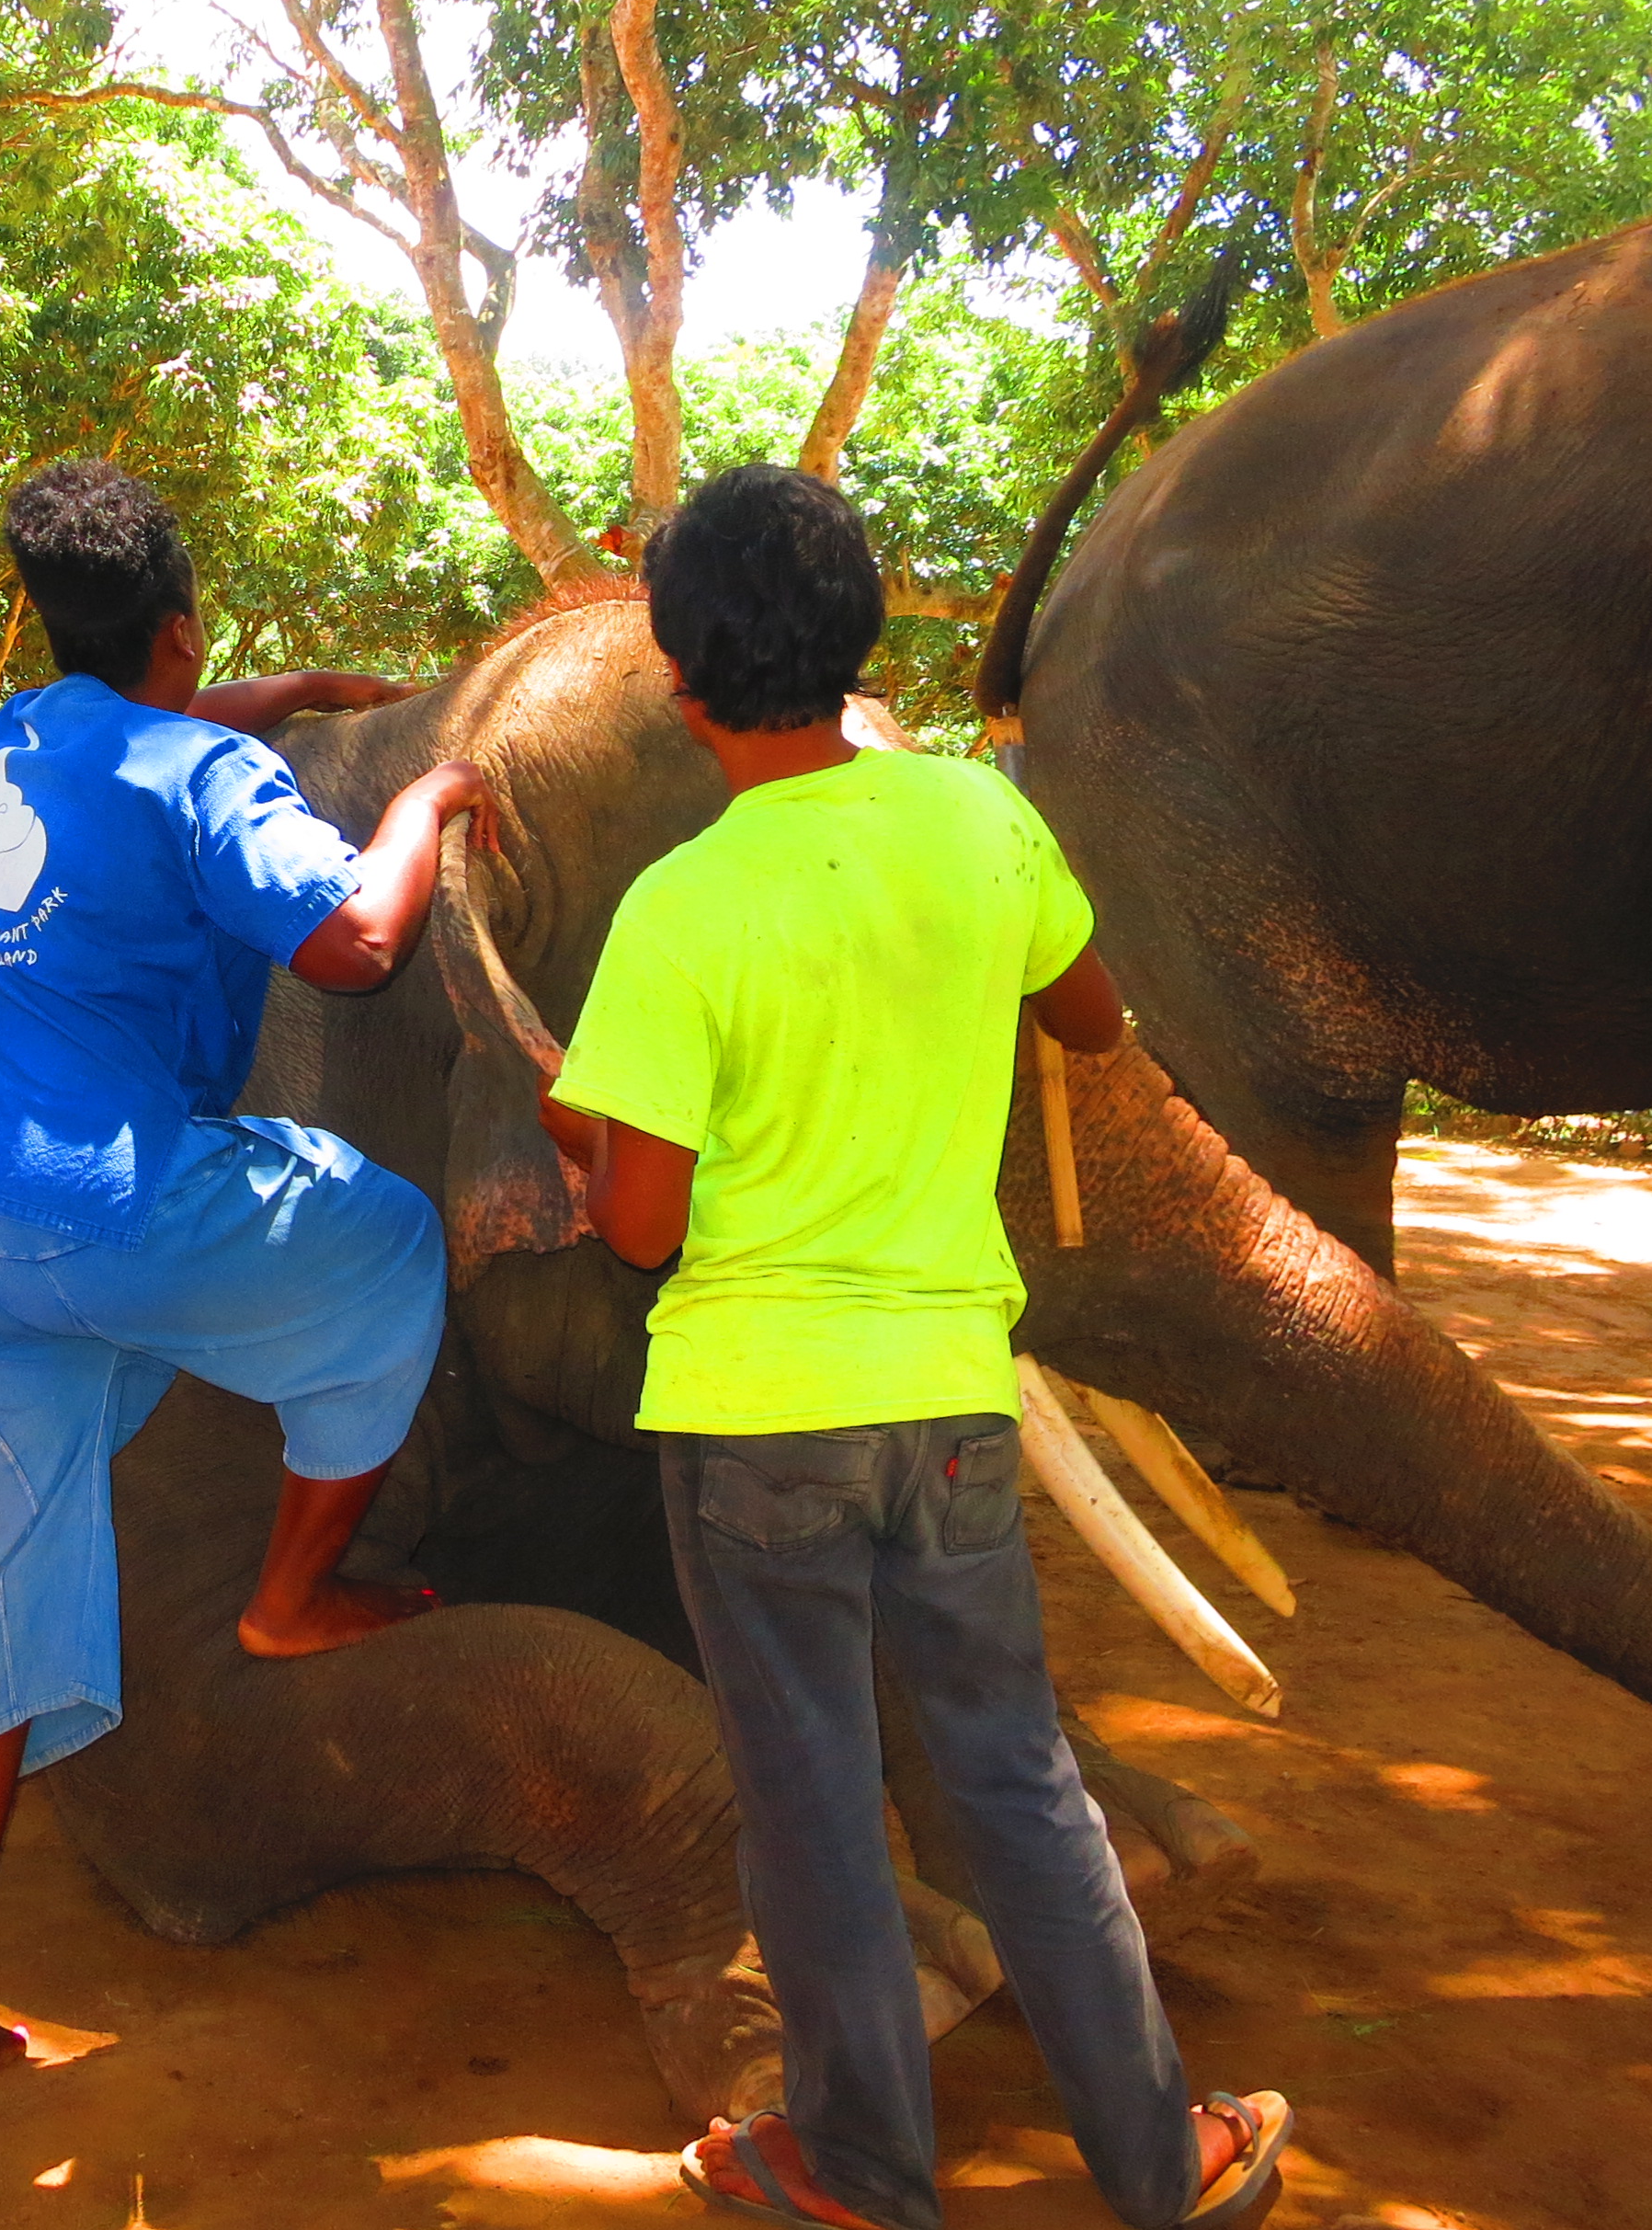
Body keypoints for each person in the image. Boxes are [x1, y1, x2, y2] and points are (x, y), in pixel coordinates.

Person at [533, 463, 1292, 2230]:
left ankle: (866, 2166)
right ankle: (1162, 2157)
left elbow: (641, 1225)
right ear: (864, 637)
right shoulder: (978, 821)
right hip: (950, 1403)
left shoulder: (681, 908)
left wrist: (584, 1134)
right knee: (1018, 1779)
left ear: (681, 680)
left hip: (753, 1423)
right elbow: (1091, 1016)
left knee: (806, 1804)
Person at [0, 455, 484, 2106]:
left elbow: (158, 725)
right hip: (100, 1205)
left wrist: (291, 690)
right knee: (388, 1237)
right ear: (184, 627)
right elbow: (356, 945)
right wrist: (419, 809)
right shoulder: (209, 774)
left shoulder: (22, 733)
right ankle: (292, 1598)